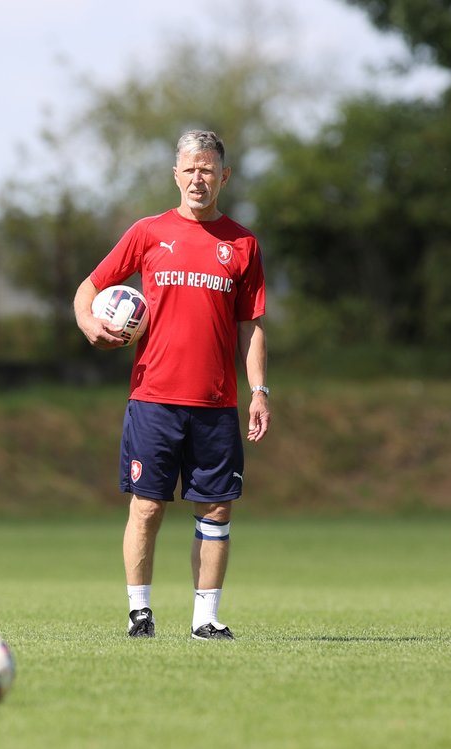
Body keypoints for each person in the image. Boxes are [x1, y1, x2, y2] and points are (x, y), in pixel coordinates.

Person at [73, 130, 270, 641]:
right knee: (147, 504)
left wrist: (260, 391)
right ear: (175, 174)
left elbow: (251, 325)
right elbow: (89, 288)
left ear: (223, 176)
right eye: (190, 169)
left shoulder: (242, 243)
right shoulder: (148, 232)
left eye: (208, 169)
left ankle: (205, 618)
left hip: (216, 402)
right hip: (154, 398)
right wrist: (90, 325)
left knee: (217, 508)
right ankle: (139, 612)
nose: (198, 178)